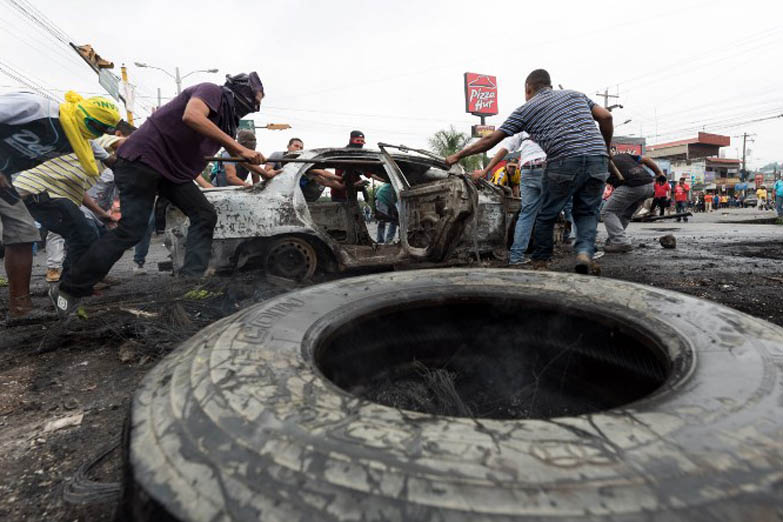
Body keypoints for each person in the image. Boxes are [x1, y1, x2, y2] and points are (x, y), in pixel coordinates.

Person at [51, 72, 266, 317]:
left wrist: (266, 174)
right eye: (256, 99)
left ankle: (189, 284)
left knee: (204, 214)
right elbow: (192, 116)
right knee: (131, 230)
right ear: (243, 92)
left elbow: (236, 152)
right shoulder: (210, 90)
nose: (256, 106)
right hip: (142, 161)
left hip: (170, 171)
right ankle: (68, 289)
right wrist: (240, 148)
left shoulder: (228, 121)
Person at [446, 69, 613, 274]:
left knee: (546, 213)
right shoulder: (576, 95)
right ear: (549, 84)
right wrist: (605, 148)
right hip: (598, 158)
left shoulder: (526, 109)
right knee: (587, 211)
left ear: (528, 89)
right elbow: (605, 117)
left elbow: (491, 140)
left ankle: (541, 261)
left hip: (563, 160)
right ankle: (585, 253)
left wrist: (458, 156)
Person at [0, 90, 120, 321]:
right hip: (22, 183)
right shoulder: (35, 107)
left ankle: (20, 309)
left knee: (24, 233)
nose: (95, 132)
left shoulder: (80, 141)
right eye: (94, 126)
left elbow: (112, 159)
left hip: (6, 181)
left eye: (101, 129)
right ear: (81, 114)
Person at [474, 132, 547, 265]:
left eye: (514, 167)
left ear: (517, 166)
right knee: (543, 212)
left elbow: (516, 187)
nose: (512, 170)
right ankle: (539, 255)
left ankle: (517, 255)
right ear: (506, 166)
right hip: (496, 190)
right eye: (510, 167)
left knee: (527, 213)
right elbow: (497, 189)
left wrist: (517, 198)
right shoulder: (501, 173)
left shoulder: (519, 171)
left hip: (526, 176)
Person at [601, 153, 661, 252]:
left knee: (607, 212)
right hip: (649, 185)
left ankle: (620, 242)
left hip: (632, 186)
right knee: (625, 214)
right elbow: (646, 159)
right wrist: (659, 173)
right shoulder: (624, 155)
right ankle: (614, 240)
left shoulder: (599, 162)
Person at [211, 130, 278, 187]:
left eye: (254, 144)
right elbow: (231, 178)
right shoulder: (228, 154)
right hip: (219, 187)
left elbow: (255, 176)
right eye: (250, 144)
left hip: (237, 188)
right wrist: (248, 186)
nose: (253, 147)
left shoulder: (252, 156)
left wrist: (257, 188)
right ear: (242, 144)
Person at [331, 130, 369, 202]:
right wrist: (354, 184)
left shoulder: (361, 156)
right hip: (340, 194)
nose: (360, 143)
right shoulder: (343, 154)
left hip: (353, 194)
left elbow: (368, 172)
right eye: (357, 141)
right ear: (351, 140)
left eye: (362, 141)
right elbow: (341, 178)